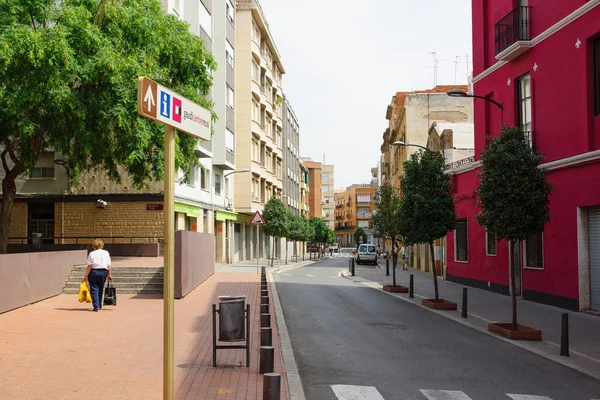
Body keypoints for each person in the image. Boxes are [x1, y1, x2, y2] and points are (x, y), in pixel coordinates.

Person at [82, 239, 112, 311]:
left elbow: (89, 265)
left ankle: (96, 305)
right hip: (103, 272)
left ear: (93, 246)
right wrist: (109, 274)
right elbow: (109, 265)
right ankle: (99, 304)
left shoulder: (92, 254)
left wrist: (86, 275)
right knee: (101, 288)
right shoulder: (106, 253)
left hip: (94, 272)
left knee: (94, 289)